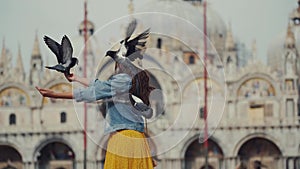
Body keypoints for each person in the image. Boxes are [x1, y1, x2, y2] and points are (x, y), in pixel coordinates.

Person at [36, 62, 156, 169]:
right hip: (137, 140)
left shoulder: (123, 80)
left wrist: (57, 95)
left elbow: (94, 92)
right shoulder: (132, 83)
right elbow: (101, 86)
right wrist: (76, 78)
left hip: (123, 140)